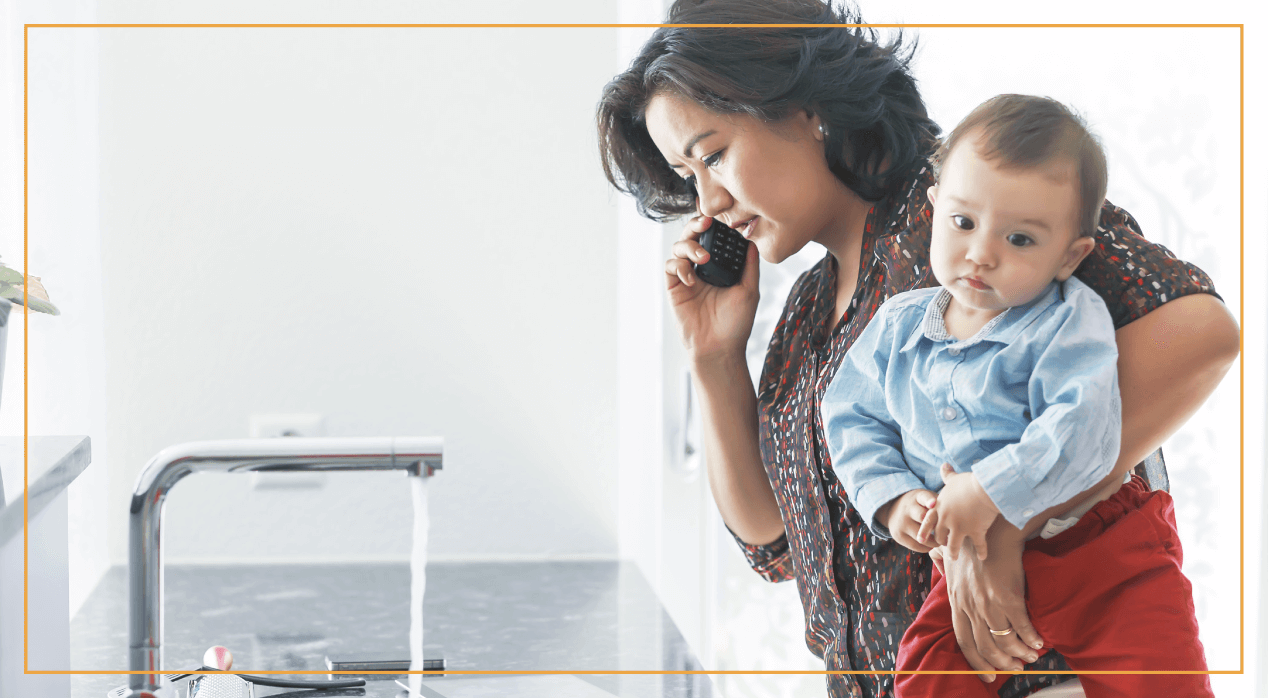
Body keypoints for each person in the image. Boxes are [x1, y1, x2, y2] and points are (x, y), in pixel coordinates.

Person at [595, 1, 1240, 696]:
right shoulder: (806, 317)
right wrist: (713, 357)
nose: (707, 201)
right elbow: (775, 547)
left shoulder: (967, 211)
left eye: (713, 154)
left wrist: (1001, 518)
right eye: (687, 176)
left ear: (803, 105)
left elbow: (1198, 333)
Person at [820, 94, 1212, 697]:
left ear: (1070, 255)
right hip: (957, 559)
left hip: (1101, 548)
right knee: (925, 673)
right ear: (933, 212)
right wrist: (894, 498)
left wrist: (989, 491)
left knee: (1160, 670)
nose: (982, 253)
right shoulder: (898, 325)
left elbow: (1082, 426)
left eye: (1021, 239)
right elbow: (850, 415)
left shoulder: (1067, 322)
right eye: (963, 223)